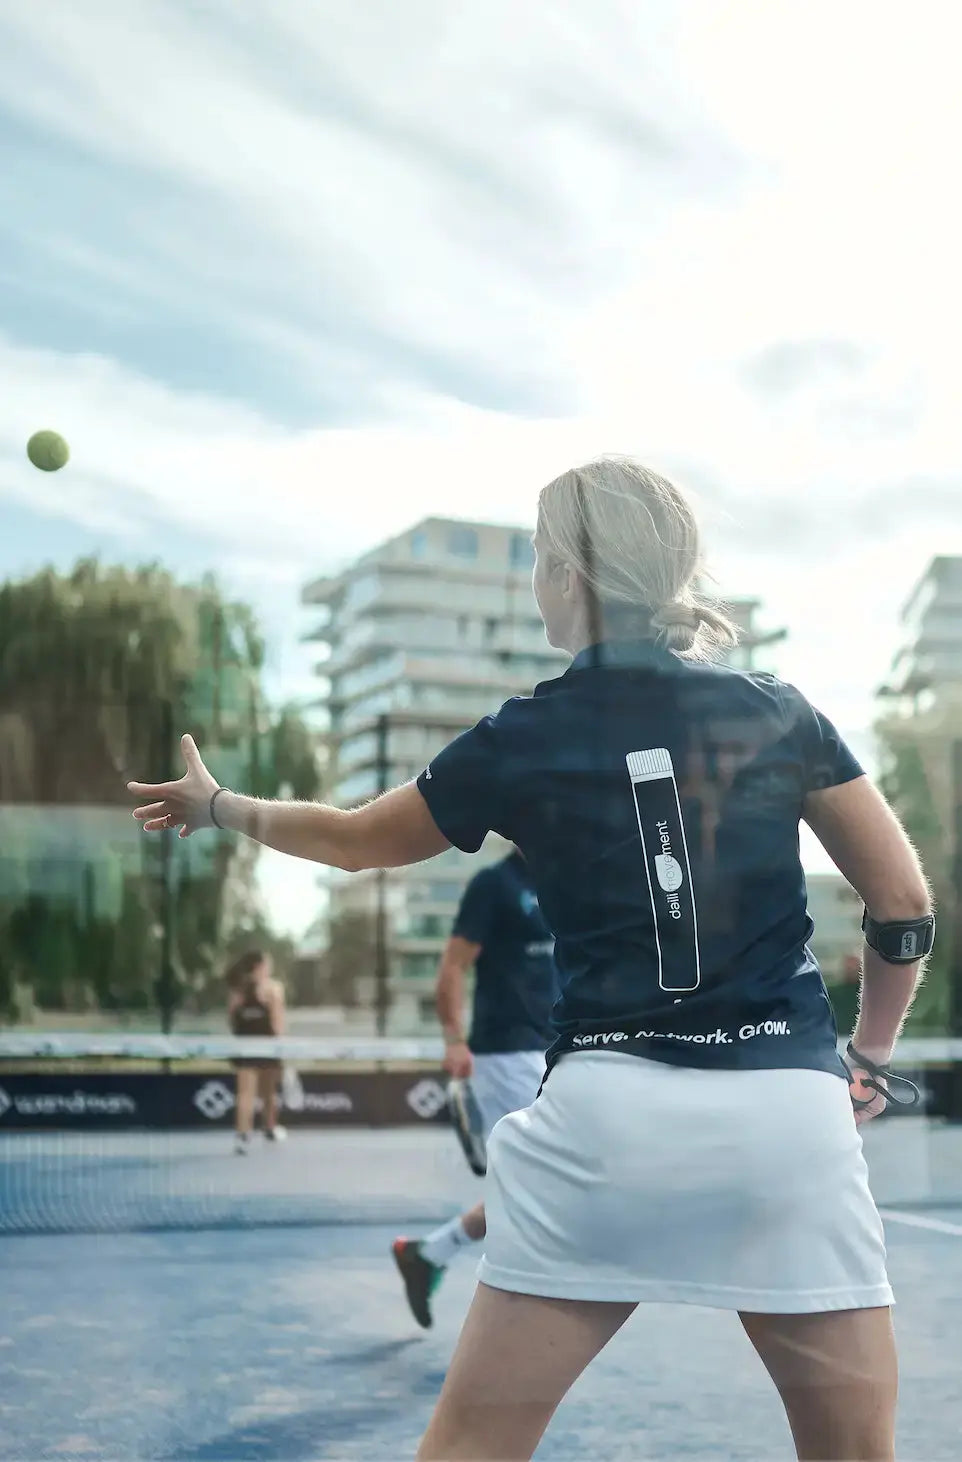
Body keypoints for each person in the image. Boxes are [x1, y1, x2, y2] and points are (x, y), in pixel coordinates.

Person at [128, 456, 933, 1462]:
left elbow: (348, 839)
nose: (534, 579)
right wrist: (866, 1053)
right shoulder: (777, 709)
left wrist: (219, 805)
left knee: (468, 1447)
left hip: (605, 1122)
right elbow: (899, 906)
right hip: (789, 1121)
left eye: (539, 557)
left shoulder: (518, 736)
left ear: (569, 576)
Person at [392, 845, 559, 1328]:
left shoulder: (563, 878)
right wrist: (453, 1039)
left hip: (556, 1047)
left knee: (533, 1182)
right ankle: (516, 1311)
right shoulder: (493, 885)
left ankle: (428, 1253)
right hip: (504, 1053)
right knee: (536, 1180)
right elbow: (453, 966)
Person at [225, 948, 287, 1154]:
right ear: (260, 966)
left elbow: (232, 1021)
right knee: (268, 1091)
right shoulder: (274, 989)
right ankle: (269, 1128)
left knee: (246, 1093)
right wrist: (279, 1043)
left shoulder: (237, 991)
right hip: (266, 1047)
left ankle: (244, 1134)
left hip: (245, 1047)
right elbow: (277, 1024)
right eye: (267, 964)